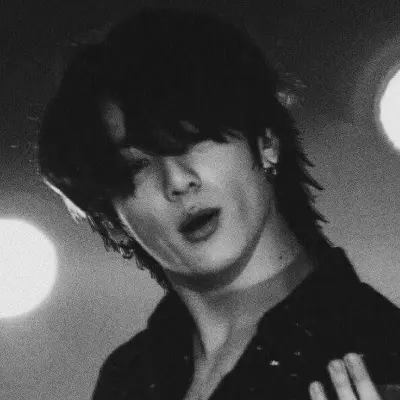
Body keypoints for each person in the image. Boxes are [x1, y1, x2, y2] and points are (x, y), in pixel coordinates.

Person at [37, 7, 400, 400]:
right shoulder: (126, 380)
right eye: (136, 166)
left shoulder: (380, 351)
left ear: (265, 140)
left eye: (191, 139)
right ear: (112, 222)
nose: (178, 181)